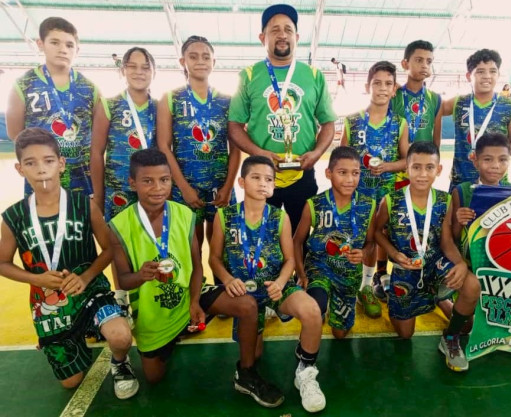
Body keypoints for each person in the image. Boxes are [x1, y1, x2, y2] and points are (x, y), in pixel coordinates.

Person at [108, 148, 283, 406]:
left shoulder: (184, 214)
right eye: (148, 181)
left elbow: (196, 265)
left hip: (190, 294)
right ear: (133, 183)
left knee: (247, 305)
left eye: (164, 180)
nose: (158, 188)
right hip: (154, 310)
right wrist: (141, 276)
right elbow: (123, 280)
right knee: (154, 377)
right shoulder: (119, 226)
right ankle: (168, 338)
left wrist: (193, 302)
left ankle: (246, 374)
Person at [0, 128, 139, 398]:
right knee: (71, 382)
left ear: (61, 164)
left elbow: (110, 248)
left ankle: (120, 362)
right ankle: (65, 336)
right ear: (20, 169)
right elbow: (3, 263)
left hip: (90, 290)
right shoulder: (13, 217)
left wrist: (86, 276)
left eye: (48, 160)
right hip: (49, 303)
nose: (41, 169)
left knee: (121, 336)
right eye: (31, 162)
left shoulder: (83, 205)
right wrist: (37, 279)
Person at [209, 155, 326, 413]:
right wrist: (227, 279)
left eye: (269, 179)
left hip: (275, 286)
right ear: (242, 182)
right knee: (254, 355)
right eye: (256, 177)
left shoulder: (280, 217)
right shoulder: (224, 216)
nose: (263, 183)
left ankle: (306, 371)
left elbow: (290, 259)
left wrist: (282, 282)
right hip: (244, 295)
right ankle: (248, 366)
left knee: (312, 311)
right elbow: (214, 258)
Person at [228, 3, 337, 234]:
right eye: (275, 30)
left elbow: (328, 123)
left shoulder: (313, 75)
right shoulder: (248, 76)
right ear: (262, 37)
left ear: (297, 37)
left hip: (302, 175)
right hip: (261, 175)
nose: (282, 35)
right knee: (262, 237)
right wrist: (259, 152)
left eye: (288, 29)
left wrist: (317, 153)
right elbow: (234, 125)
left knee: (301, 237)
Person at [373, 141, 481, 372]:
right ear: (406, 169)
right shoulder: (390, 200)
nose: (423, 174)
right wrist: (394, 253)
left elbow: (446, 242)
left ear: (438, 170)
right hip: (406, 268)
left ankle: (448, 335)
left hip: (434, 263)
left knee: (470, 298)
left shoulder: (444, 200)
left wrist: (460, 264)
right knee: (405, 334)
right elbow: (377, 232)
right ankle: (406, 294)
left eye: (429, 167)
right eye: (416, 167)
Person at [157, 36, 240, 282]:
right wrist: (182, 187)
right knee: (191, 247)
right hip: (185, 187)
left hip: (220, 188)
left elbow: (236, 148)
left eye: (206, 56)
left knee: (222, 246)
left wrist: (228, 187)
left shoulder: (227, 101)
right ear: (183, 61)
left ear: (214, 61)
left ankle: (223, 289)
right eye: (193, 56)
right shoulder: (170, 98)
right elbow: (164, 146)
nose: (200, 61)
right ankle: (196, 290)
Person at [90, 46, 158, 315]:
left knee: (149, 240)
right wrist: (98, 195)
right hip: (118, 190)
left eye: (145, 67)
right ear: (123, 70)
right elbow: (96, 152)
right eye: (132, 66)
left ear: (154, 71)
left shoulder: (160, 107)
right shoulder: (109, 104)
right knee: (118, 244)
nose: (139, 72)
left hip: (150, 190)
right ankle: (121, 298)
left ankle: (150, 294)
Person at [6, 17, 100, 197]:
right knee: (42, 215)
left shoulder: (90, 88)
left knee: (82, 215)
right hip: (42, 177)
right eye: (55, 42)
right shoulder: (24, 85)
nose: (63, 49)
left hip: (82, 179)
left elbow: (99, 137)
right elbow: (15, 133)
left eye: (69, 45)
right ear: (40, 44)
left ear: (77, 50)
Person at [341, 60, 408, 314]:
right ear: (367, 86)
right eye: (377, 83)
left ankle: (368, 285)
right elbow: (341, 160)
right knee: (360, 239)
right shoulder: (352, 121)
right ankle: (348, 284)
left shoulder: (400, 123)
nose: (382, 88)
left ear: (394, 89)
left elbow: (407, 160)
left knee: (381, 236)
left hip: (387, 193)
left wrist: (388, 166)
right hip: (358, 194)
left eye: (388, 83)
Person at [294, 147, 376, 336]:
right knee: (315, 308)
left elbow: (371, 242)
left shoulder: (368, 205)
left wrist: (364, 253)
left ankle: (336, 304)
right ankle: (320, 304)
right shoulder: (314, 204)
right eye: (342, 172)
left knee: (340, 334)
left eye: (355, 173)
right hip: (319, 267)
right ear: (328, 173)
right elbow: (297, 241)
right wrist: (301, 274)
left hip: (348, 275)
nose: (349, 179)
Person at [442, 49, 511, 191]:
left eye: (493, 71)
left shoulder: (510, 106)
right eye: (480, 71)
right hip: (461, 184)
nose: (487, 76)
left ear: (498, 75)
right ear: (469, 76)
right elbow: (431, 108)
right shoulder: (458, 102)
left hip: (495, 184)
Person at [391, 40, 442, 149]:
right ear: (405, 64)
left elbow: (436, 140)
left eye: (429, 62)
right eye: (419, 60)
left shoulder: (435, 98)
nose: (424, 66)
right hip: (400, 159)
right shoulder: (393, 96)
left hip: (425, 157)